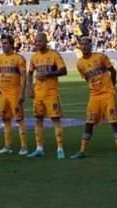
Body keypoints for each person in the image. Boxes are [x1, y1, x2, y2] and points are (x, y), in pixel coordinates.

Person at [71, 36, 117, 160]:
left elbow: (113, 71)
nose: (84, 47)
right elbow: (87, 78)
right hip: (94, 95)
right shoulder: (79, 64)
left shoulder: (100, 57)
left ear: (91, 45)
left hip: (107, 94)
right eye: (81, 44)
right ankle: (82, 150)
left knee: (113, 122)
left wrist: (112, 87)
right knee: (89, 122)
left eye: (86, 44)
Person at [27, 31, 68, 159]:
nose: (37, 43)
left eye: (40, 41)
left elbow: (63, 70)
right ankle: (39, 148)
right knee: (38, 119)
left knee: (55, 120)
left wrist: (47, 75)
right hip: (38, 93)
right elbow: (29, 73)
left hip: (51, 93)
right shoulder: (34, 57)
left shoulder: (54, 55)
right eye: (36, 41)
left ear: (46, 41)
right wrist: (29, 88)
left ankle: (60, 148)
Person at [0, 34, 28, 155]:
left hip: (14, 93)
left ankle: (24, 146)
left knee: (19, 119)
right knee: (5, 119)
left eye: (6, 43)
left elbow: (24, 76)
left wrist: (22, 92)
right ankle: (7, 146)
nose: (3, 45)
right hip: (3, 94)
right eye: (2, 43)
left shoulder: (18, 58)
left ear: (12, 44)